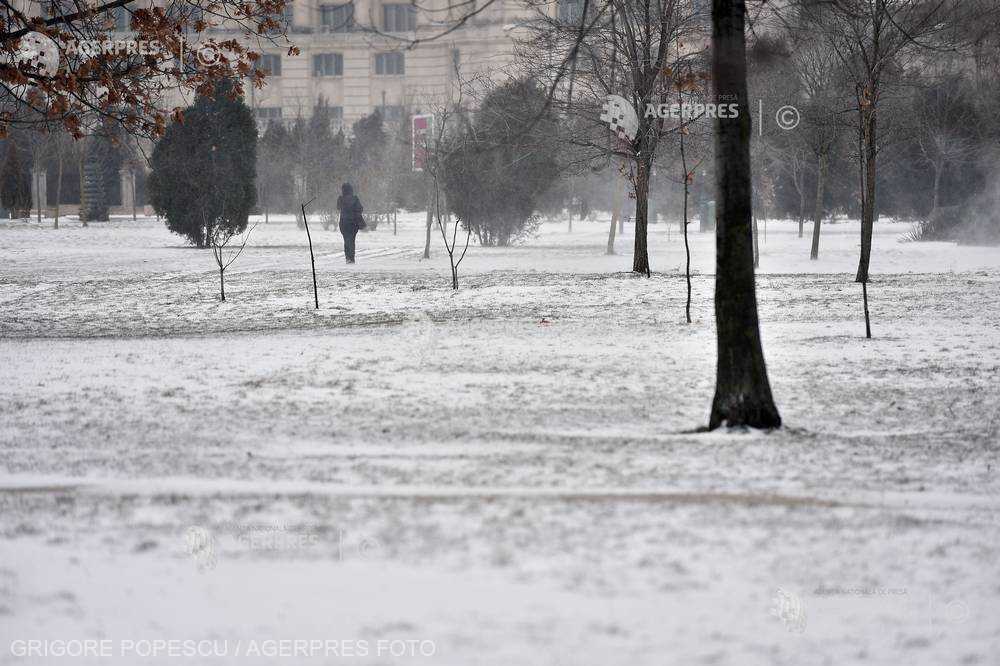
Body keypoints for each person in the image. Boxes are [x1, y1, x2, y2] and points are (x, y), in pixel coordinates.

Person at [336, 182, 365, 264]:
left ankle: (347, 257)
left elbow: (338, 207)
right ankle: (351, 257)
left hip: (344, 223)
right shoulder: (355, 198)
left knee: (346, 240)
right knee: (352, 240)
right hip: (353, 223)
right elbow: (360, 208)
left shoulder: (340, 199)